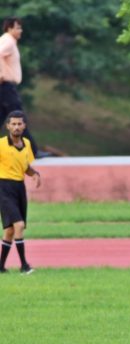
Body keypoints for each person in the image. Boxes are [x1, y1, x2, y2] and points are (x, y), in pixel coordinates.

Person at [0, 110, 40, 274]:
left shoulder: (27, 144)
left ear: (24, 126)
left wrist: (35, 174)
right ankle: (24, 265)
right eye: (13, 124)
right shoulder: (1, 144)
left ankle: (1, 267)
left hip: (19, 188)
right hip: (3, 188)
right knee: (19, 225)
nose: (16, 127)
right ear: (8, 126)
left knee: (10, 231)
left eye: (19, 124)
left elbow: (25, 167)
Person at [0, 17, 37, 158]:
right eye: (18, 28)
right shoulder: (8, 41)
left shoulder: (6, 40)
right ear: (9, 28)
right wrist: (2, 74)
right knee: (18, 117)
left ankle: (31, 149)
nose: (20, 31)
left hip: (4, 87)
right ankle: (32, 150)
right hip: (6, 86)